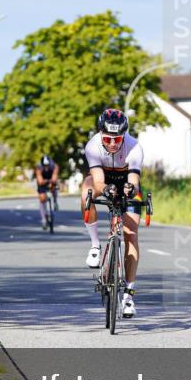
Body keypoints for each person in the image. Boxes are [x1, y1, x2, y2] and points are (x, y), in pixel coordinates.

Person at [82, 108, 144, 318]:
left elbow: (134, 182)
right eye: (107, 139)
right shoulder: (92, 146)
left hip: (126, 182)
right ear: (101, 134)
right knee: (87, 191)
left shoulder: (134, 147)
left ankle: (128, 295)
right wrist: (106, 189)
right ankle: (95, 245)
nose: (112, 144)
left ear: (123, 135)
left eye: (117, 139)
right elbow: (98, 180)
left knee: (131, 234)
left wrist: (131, 190)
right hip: (104, 181)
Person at [34, 155, 59, 229]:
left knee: (54, 187)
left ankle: (55, 201)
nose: (46, 167)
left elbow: (54, 178)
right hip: (42, 182)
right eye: (44, 165)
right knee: (42, 199)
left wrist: (52, 182)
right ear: (42, 164)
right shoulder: (38, 167)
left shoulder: (54, 166)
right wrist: (44, 182)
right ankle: (44, 219)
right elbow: (40, 181)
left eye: (47, 165)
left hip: (51, 180)